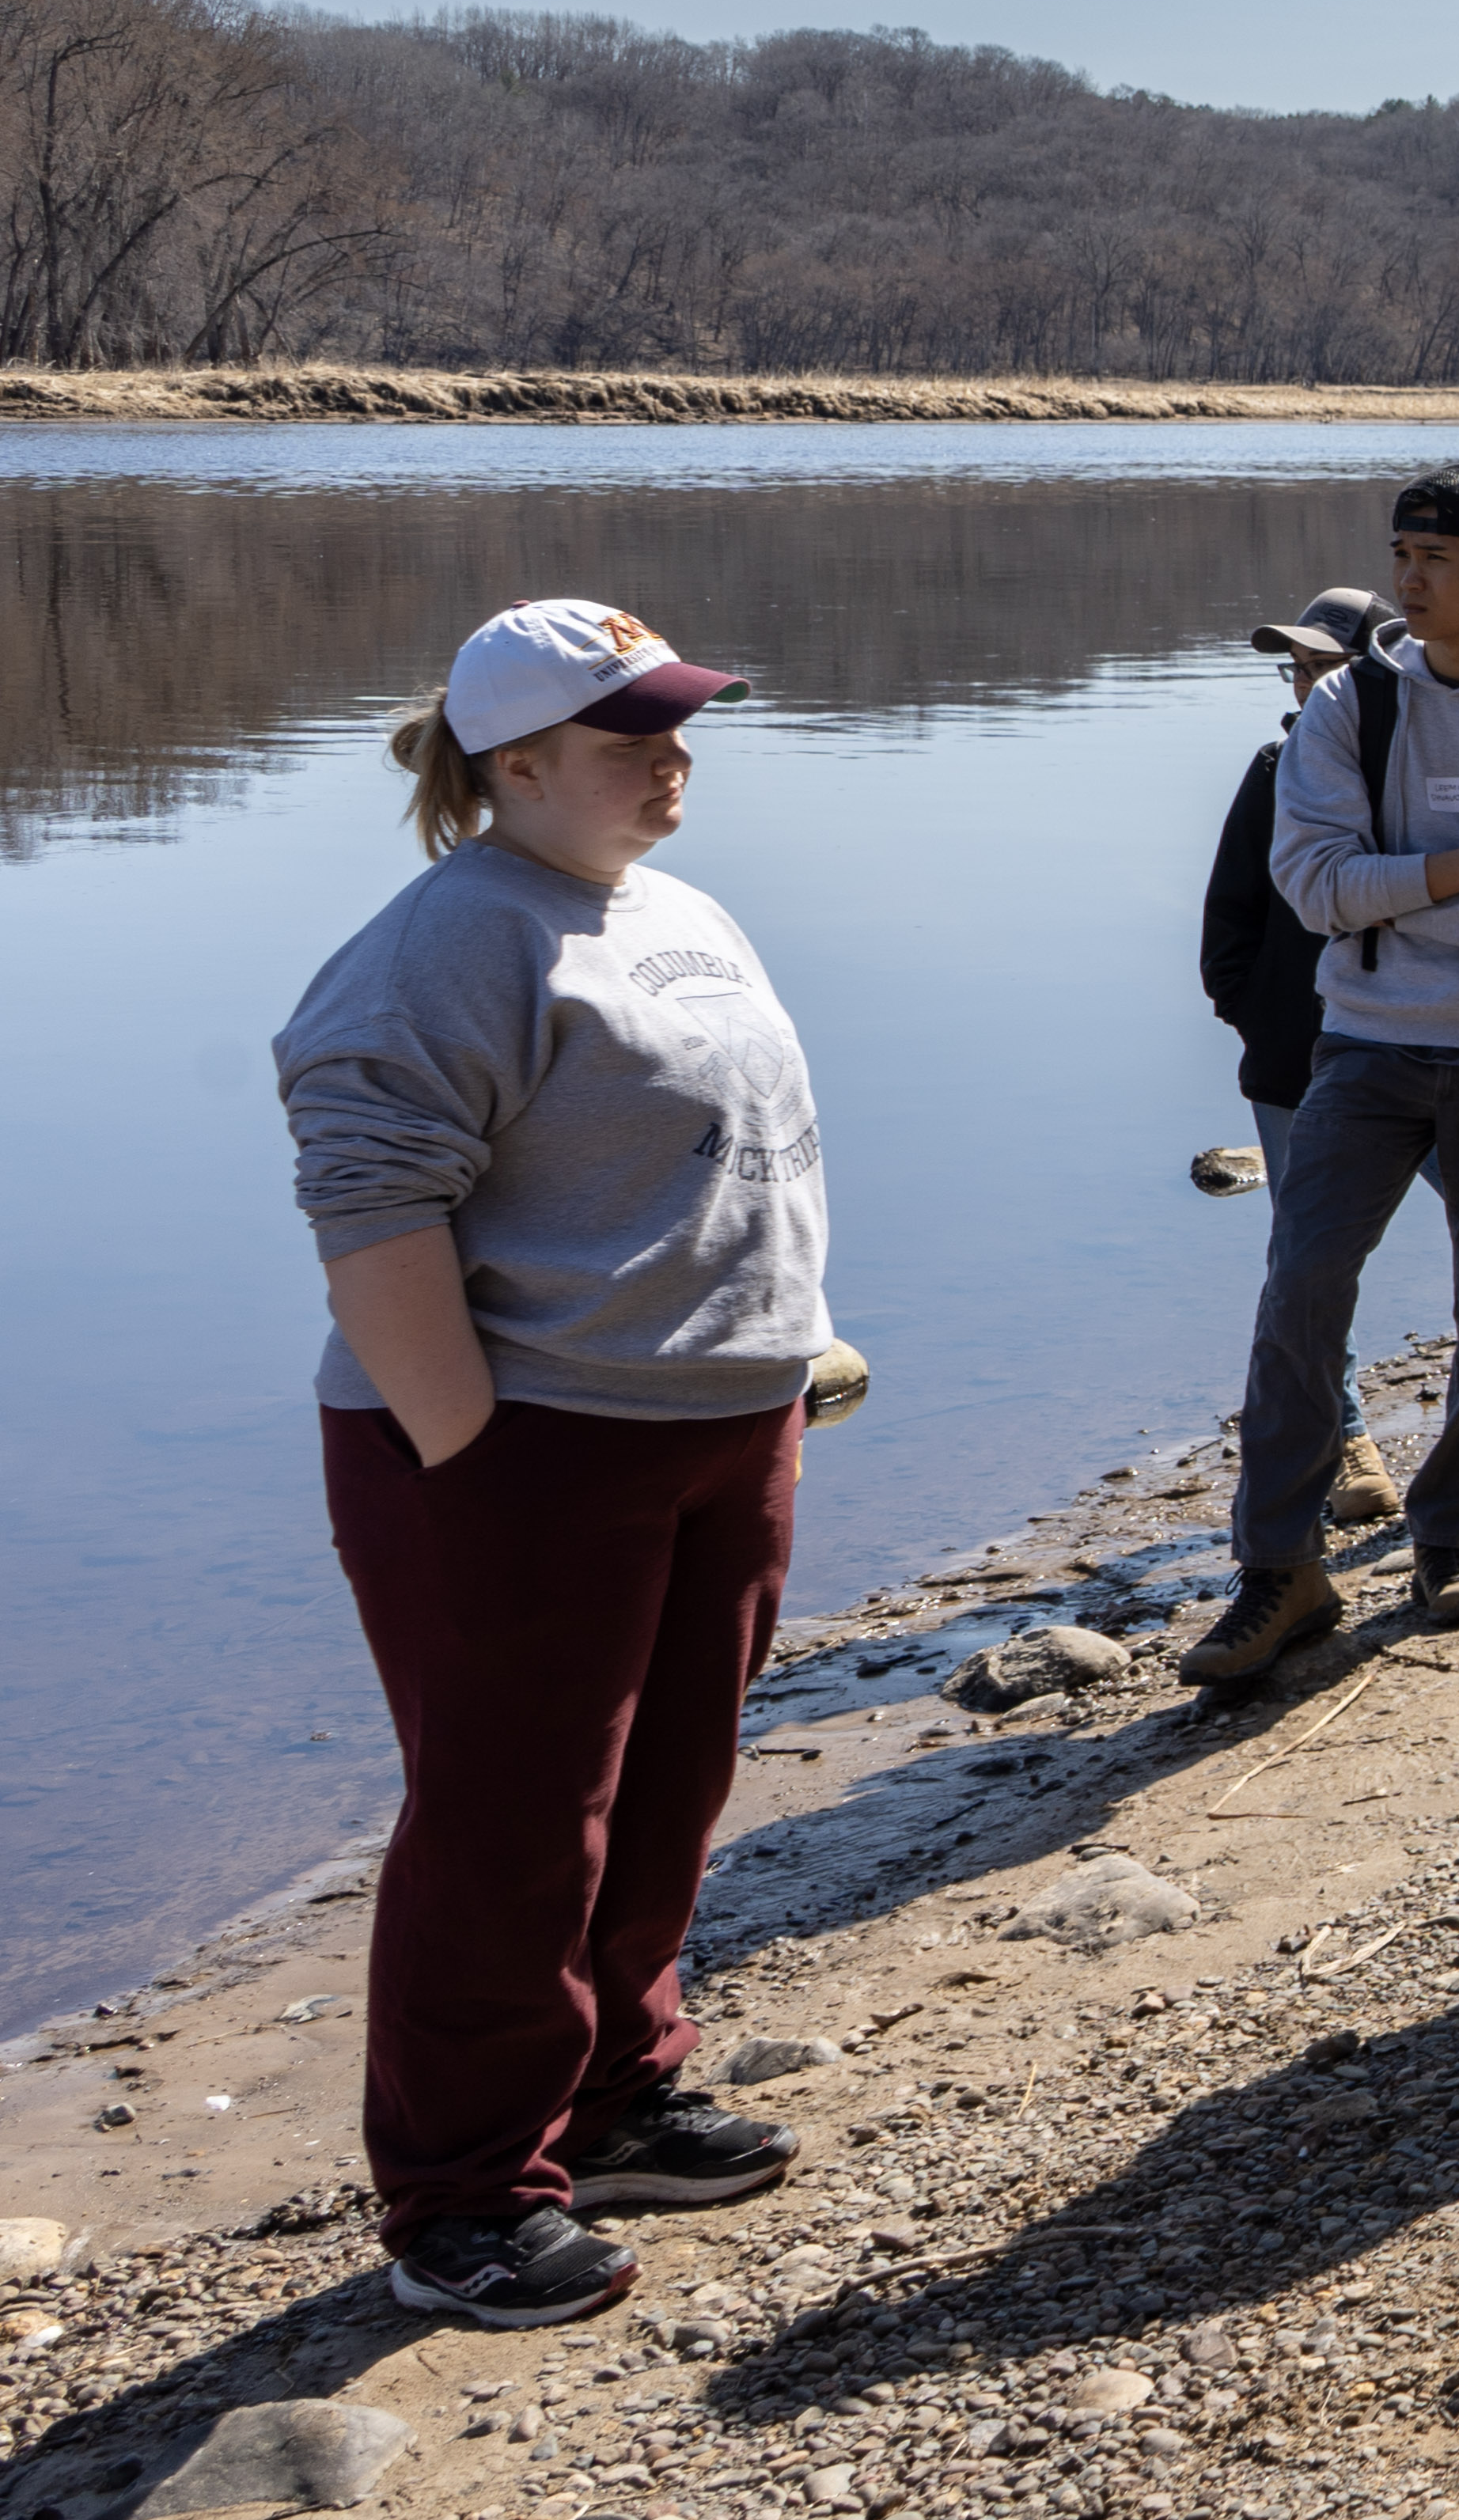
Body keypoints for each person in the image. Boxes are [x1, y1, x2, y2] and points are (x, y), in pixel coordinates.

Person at [276, 597, 828, 2326]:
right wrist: (467, 1447)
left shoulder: (671, 904)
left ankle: (610, 2102)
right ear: (515, 764)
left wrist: (794, 1337)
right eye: (631, 732)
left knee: (665, 1789)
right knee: (512, 1825)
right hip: (522, 1447)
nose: (674, 755)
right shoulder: (452, 938)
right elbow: (368, 1194)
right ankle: (460, 2195)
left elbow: (739, 1145)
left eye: (679, 723)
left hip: (713, 1425)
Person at [1184, 465, 1459, 1687]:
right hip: (1367, 1045)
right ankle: (1281, 1571)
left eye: (1436, 558)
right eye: (1400, 554)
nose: (1410, 579)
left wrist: (1403, 901)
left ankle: (1451, 1541)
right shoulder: (1350, 709)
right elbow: (1316, 889)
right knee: (1301, 1289)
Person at [1202, 585, 1405, 1533]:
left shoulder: (1421, 764)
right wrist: (1258, 1019)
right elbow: (1228, 919)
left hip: (1423, 1042)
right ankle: (1348, 1445)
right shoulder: (1275, 765)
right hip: (1297, 1063)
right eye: (1300, 665)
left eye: (1328, 662)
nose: (1308, 679)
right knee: (1311, 1262)